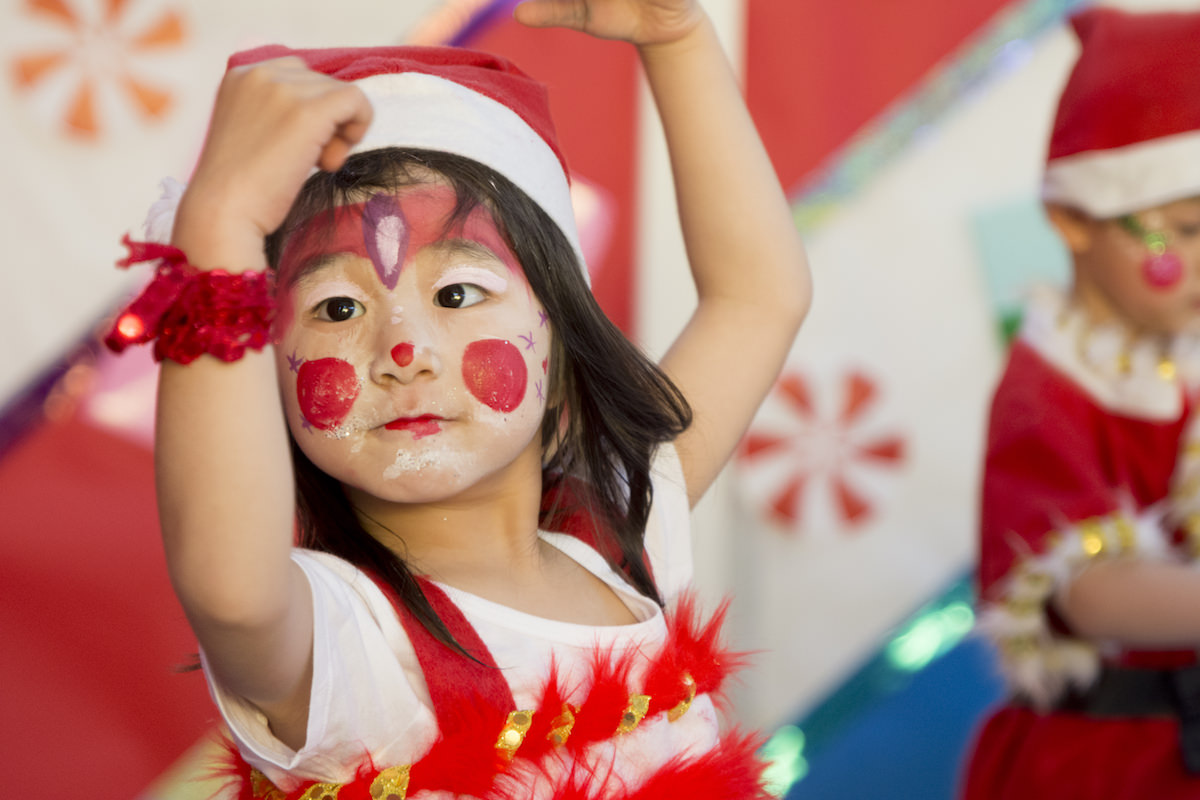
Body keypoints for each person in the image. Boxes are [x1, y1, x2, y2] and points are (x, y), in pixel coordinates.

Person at [104, 0, 810, 796]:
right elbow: (230, 595)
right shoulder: (344, 646)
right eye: (338, 308)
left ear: (560, 344)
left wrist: (678, 40)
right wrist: (220, 228)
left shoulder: (620, 533)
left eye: (458, 293)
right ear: (263, 383)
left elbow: (757, 300)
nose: (402, 351)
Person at [962, 7, 1200, 798]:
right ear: (1072, 219)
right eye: (1183, 231)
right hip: (1105, 764)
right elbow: (1088, 591)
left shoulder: (1185, 362)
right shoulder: (1048, 390)